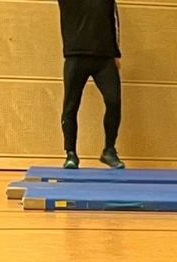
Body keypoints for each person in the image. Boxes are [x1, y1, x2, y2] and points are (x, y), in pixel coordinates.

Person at [58, 0, 126, 169]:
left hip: (104, 57)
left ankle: (109, 150)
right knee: (71, 105)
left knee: (113, 101)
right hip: (76, 55)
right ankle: (70, 153)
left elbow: (113, 20)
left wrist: (116, 54)